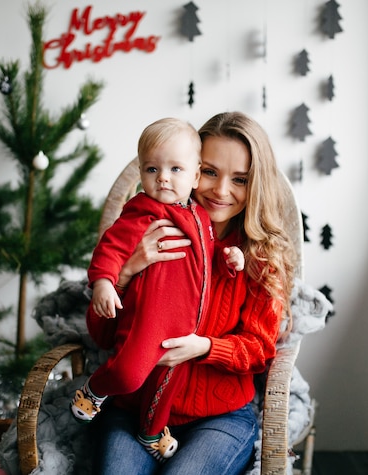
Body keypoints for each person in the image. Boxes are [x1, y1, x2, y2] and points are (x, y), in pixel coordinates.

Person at [92, 111, 297, 474]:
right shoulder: (146, 228)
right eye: (210, 172)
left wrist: (204, 347)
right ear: (191, 167)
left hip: (218, 415)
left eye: (240, 179)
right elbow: (102, 334)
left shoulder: (260, 257)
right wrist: (125, 273)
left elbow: (261, 350)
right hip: (134, 409)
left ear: (257, 185)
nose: (220, 191)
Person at [72, 117, 244, 460]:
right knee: (129, 374)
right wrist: (108, 281)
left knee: (162, 391)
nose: (163, 177)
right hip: (150, 322)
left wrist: (230, 261)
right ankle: (93, 390)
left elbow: (206, 261)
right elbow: (110, 248)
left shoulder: (201, 217)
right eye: (152, 169)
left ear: (193, 176)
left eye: (175, 169)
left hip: (184, 330)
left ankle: (151, 434)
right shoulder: (143, 211)